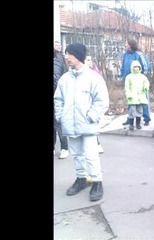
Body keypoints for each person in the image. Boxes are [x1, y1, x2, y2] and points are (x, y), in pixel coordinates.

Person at [54, 43, 109, 202]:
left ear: (78, 55)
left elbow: (102, 101)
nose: (66, 57)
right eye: (66, 53)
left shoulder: (93, 78)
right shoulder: (65, 79)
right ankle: (81, 179)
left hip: (87, 125)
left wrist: (91, 116)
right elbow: (58, 99)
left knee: (91, 156)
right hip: (70, 124)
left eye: (69, 53)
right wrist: (60, 116)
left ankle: (97, 182)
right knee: (77, 155)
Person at [121, 39, 151, 126]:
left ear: (130, 45)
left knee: (143, 101)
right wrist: (123, 76)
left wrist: (141, 78)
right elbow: (123, 66)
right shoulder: (125, 55)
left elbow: (146, 67)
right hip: (129, 81)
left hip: (139, 83)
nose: (125, 45)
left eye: (126, 44)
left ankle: (146, 118)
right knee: (131, 100)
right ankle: (130, 118)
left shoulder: (139, 54)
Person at [85, 54, 104, 153]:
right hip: (84, 104)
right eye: (87, 60)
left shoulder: (96, 73)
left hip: (93, 103)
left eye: (90, 60)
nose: (90, 62)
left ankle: (97, 144)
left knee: (93, 124)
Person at [125, 60, 150, 130]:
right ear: (132, 68)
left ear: (140, 68)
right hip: (132, 97)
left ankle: (138, 124)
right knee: (132, 111)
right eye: (134, 67)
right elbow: (127, 87)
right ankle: (131, 124)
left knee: (140, 111)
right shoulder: (129, 77)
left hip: (141, 97)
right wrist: (128, 95)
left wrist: (145, 87)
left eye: (137, 67)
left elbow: (146, 83)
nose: (136, 69)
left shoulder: (143, 77)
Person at [54, 48, 69, 159]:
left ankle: (64, 148)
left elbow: (61, 81)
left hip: (57, 97)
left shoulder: (58, 64)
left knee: (59, 124)